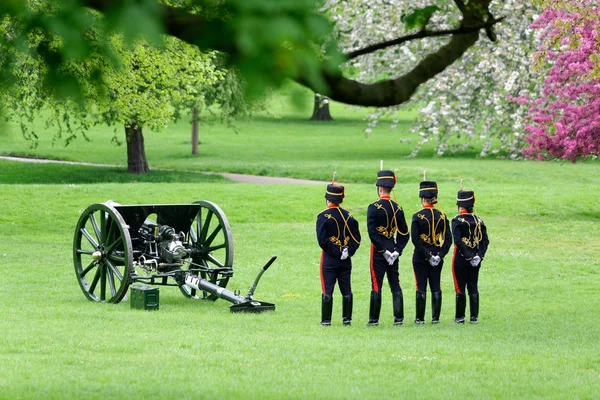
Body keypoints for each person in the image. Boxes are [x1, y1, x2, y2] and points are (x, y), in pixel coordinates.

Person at [366, 170, 410, 326]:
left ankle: (373, 320)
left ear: (379, 188)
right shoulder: (398, 208)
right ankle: (399, 319)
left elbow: (372, 233)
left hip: (379, 251)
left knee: (377, 284)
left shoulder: (373, 207)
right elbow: (404, 233)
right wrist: (397, 250)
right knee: (395, 283)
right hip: (393, 249)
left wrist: (383, 251)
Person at [316, 183, 361, 326]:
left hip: (329, 259)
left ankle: (326, 320)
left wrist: (337, 252)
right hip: (346, 260)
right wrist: (347, 252)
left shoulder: (323, 216)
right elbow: (356, 239)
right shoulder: (349, 216)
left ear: (328, 199)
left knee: (327, 289)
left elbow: (323, 241)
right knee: (346, 289)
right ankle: (347, 319)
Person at [411, 180, 452, 324]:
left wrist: (428, 255)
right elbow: (448, 240)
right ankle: (435, 318)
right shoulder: (442, 216)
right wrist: (439, 255)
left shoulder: (417, 216)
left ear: (422, 198)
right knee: (436, 286)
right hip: (437, 256)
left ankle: (420, 319)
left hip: (420, 257)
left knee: (420, 286)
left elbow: (416, 240)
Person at [451, 188, 490, 324]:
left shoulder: (456, 220)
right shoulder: (479, 220)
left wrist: (468, 256)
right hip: (476, 259)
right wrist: (478, 256)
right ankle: (474, 317)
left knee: (460, 287)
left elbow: (458, 241)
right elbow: (485, 241)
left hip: (461, 259)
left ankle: (460, 317)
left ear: (460, 206)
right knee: (473, 287)